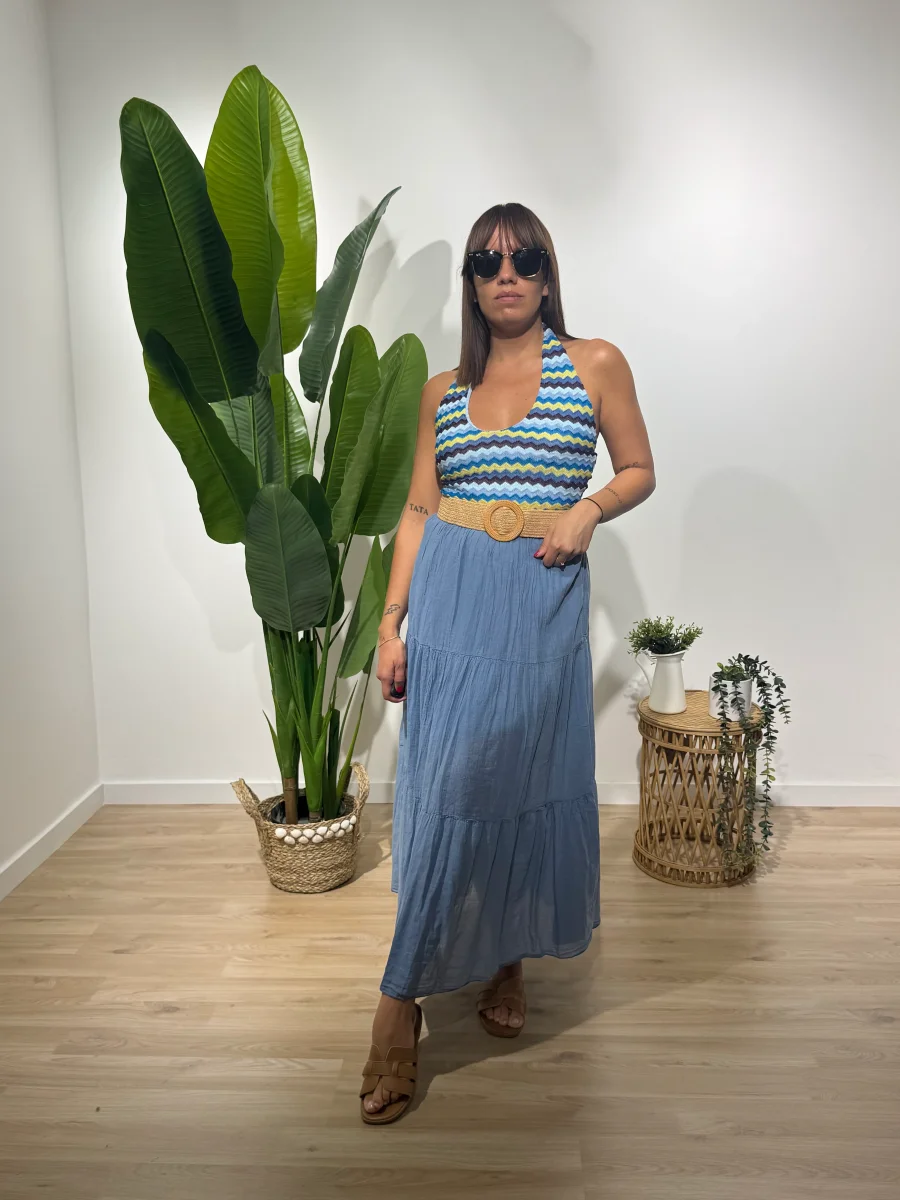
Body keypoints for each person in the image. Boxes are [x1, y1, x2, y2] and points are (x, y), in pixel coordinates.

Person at [358, 202, 656, 1124]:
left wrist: (589, 509)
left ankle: (505, 955)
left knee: (517, 781)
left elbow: (639, 469)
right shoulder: (441, 390)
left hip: (539, 606)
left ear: (547, 272)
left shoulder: (593, 363)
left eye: (524, 259)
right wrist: (392, 624)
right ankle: (398, 1002)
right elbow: (418, 510)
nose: (506, 275)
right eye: (487, 262)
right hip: (449, 608)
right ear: (472, 283)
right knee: (451, 790)